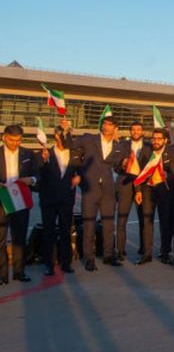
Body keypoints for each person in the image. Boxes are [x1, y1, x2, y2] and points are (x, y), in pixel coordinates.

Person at [64, 116, 126, 271]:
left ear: (115, 128)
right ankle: (89, 259)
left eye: (109, 124)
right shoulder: (88, 138)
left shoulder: (119, 147)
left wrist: (124, 165)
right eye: (104, 123)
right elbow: (68, 144)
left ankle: (108, 256)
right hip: (90, 188)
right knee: (89, 225)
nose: (105, 126)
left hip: (108, 190)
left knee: (108, 225)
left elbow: (118, 169)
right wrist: (66, 131)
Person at [38, 124, 81, 276]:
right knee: (48, 232)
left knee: (65, 231)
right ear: (56, 136)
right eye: (62, 135)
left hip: (66, 199)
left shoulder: (75, 154)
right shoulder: (45, 153)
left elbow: (82, 171)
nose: (65, 138)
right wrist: (44, 162)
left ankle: (66, 262)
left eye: (67, 135)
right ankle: (49, 263)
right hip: (48, 199)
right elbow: (38, 174)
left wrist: (79, 177)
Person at [134, 128, 174, 265]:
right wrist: (138, 191)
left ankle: (165, 253)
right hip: (148, 190)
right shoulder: (146, 151)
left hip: (164, 190)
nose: (155, 141)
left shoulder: (171, 152)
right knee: (147, 222)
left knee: (165, 223)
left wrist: (168, 176)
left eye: (159, 139)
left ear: (165, 140)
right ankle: (146, 254)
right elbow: (139, 172)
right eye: (153, 138)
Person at [0, 124, 39, 283]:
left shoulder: (28, 154)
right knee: (1, 238)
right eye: (11, 140)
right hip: (2, 200)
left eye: (18, 140)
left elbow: (38, 175)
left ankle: (19, 272)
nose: (15, 143)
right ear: (4, 137)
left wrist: (32, 179)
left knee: (19, 238)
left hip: (20, 200)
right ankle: (2, 274)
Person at [115, 121, 151, 261]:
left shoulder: (149, 147)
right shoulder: (122, 145)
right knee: (122, 219)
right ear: (130, 132)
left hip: (143, 187)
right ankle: (120, 250)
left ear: (142, 132)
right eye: (133, 129)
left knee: (144, 219)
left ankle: (143, 248)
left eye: (138, 129)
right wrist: (123, 165)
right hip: (125, 186)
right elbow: (115, 167)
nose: (136, 131)